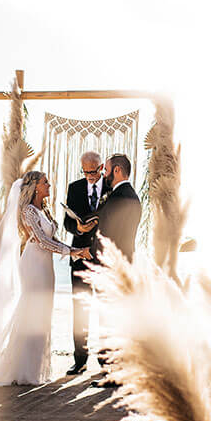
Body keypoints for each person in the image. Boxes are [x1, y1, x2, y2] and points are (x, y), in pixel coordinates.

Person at [0, 171, 90, 388]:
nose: (49, 185)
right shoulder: (28, 211)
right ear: (34, 187)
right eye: (45, 182)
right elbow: (42, 242)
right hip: (33, 265)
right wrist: (72, 252)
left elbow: (52, 239)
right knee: (31, 313)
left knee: (43, 315)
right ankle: (23, 371)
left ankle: (35, 369)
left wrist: (75, 248)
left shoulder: (44, 210)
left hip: (46, 267)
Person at [91, 153, 142, 387]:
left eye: (107, 170)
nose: (104, 175)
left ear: (118, 171)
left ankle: (113, 373)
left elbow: (109, 235)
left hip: (113, 267)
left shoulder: (121, 197)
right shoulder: (131, 196)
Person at [63, 151, 110, 375]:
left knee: (104, 310)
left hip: (104, 260)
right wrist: (78, 228)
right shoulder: (75, 188)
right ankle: (80, 360)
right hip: (80, 257)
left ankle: (106, 362)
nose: (89, 176)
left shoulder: (112, 189)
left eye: (93, 171)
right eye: (85, 171)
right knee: (80, 310)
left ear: (101, 167)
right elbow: (66, 222)